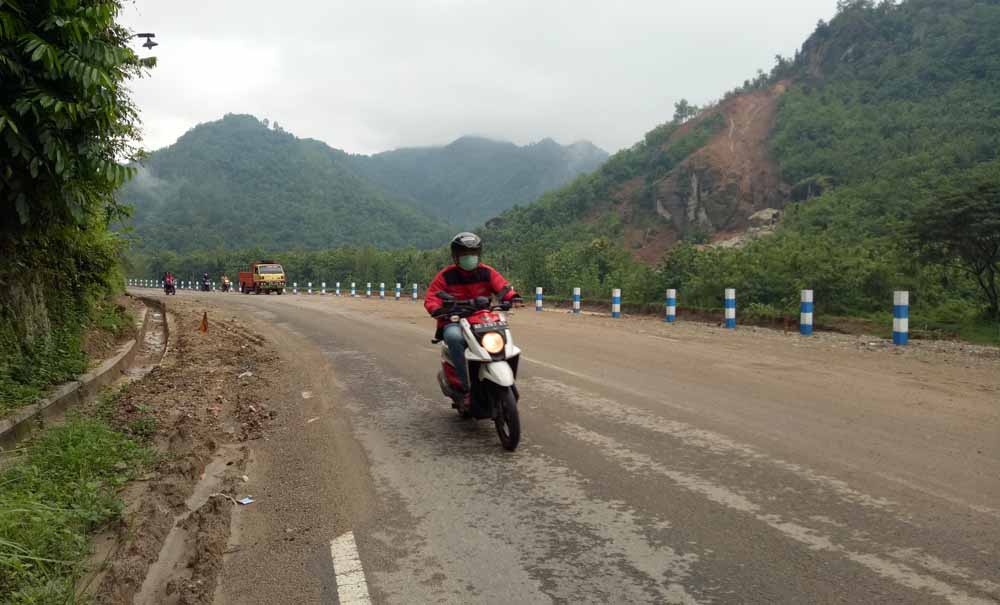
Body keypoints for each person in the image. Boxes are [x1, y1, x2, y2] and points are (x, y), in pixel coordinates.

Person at [425, 232, 521, 409]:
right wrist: (437, 309)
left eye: (473, 254)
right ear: (456, 257)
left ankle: (504, 380)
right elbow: (432, 297)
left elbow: (503, 286)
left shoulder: (487, 272)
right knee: (454, 338)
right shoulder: (446, 276)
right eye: (464, 255)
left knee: (502, 334)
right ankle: (465, 387)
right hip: (454, 319)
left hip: (482, 317)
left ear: (479, 255)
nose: (469, 258)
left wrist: (512, 297)